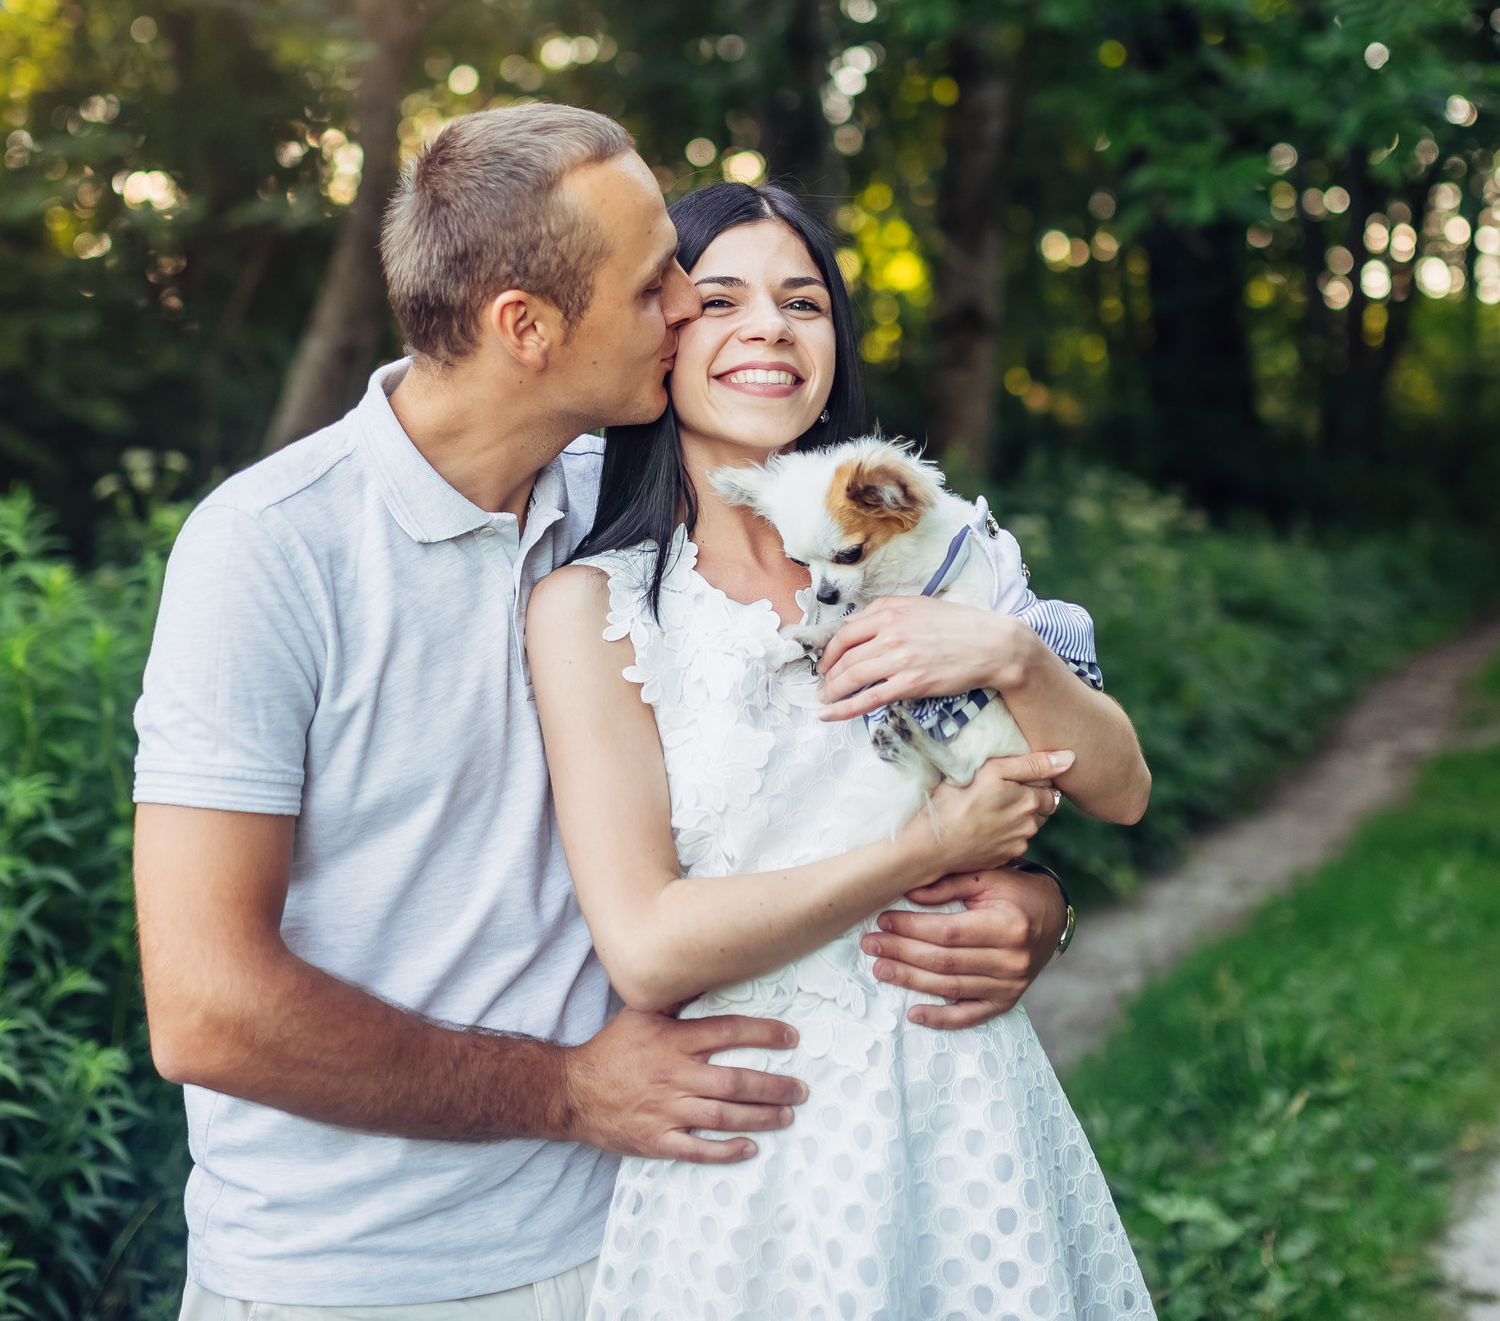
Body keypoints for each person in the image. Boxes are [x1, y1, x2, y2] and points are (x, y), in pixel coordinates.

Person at [131, 104, 1081, 1318]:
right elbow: (207, 1008)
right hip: (362, 1269)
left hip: (654, 1226)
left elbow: (839, 768)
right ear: (525, 327)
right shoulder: (270, 549)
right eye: (658, 286)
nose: (691, 307)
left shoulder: (632, 497)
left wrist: (1028, 903)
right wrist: (567, 1091)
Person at [525, 180, 1156, 1320]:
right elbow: (650, 949)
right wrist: (931, 847)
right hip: (750, 1132)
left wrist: (1015, 656)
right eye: (718, 297)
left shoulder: (931, 535)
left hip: (962, 1100)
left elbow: (1119, 788)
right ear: (658, 329)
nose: (768, 325)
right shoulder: (599, 607)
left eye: (802, 300)